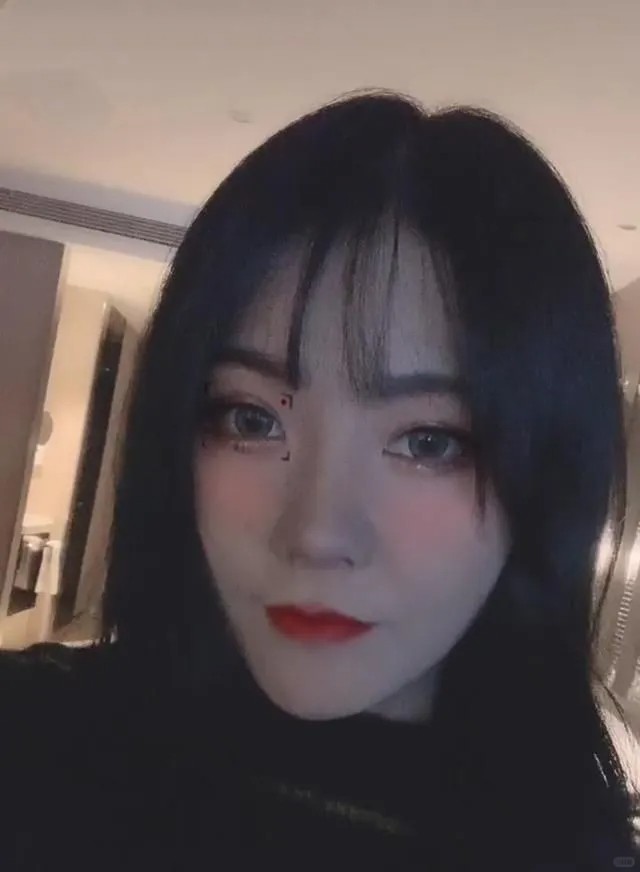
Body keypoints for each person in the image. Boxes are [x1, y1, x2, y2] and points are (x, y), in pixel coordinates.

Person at [1, 90, 638, 872]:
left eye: (428, 441)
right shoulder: (33, 746)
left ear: (546, 477)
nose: (315, 533)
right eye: (251, 420)